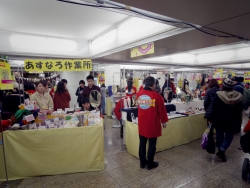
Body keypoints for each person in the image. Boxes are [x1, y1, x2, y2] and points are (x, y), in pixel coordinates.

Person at [137, 77, 168, 170]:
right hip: (152, 124)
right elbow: (162, 111)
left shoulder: (139, 94)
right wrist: (164, 121)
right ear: (153, 84)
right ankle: (150, 163)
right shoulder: (157, 96)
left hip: (142, 124)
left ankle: (142, 163)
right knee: (152, 144)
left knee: (142, 144)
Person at [210, 78, 242, 162]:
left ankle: (221, 150)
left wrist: (211, 118)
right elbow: (239, 111)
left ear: (223, 86)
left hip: (219, 120)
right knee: (229, 138)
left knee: (219, 137)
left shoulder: (219, 95)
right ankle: (222, 151)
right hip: (232, 121)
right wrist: (239, 121)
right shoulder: (238, 96)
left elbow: (214, 108)